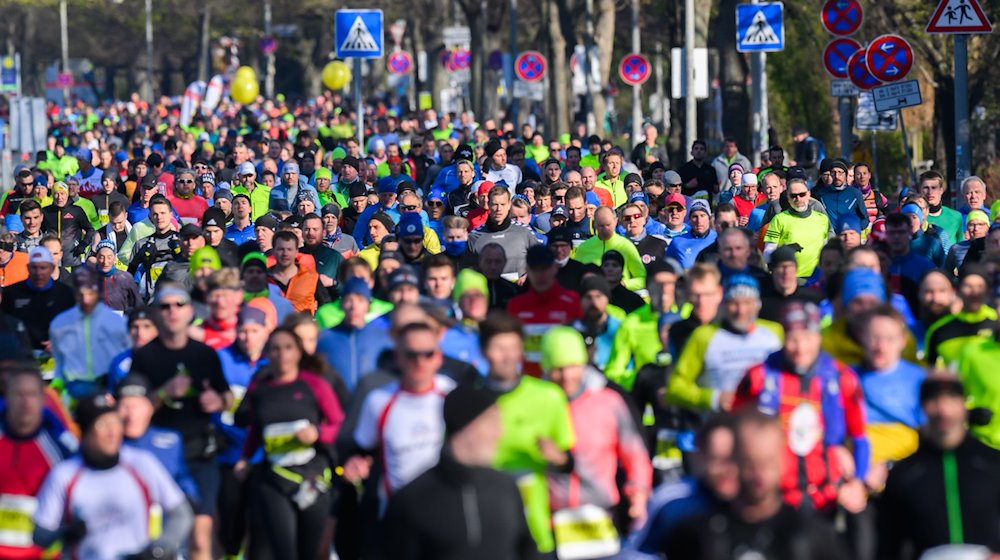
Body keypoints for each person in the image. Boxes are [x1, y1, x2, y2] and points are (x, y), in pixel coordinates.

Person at [734, 301, 870, 515]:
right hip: (774, 497)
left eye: (807, 338)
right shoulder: (758, 377)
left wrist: (858, 481)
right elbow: (736, 431)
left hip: (828, 495)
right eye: (793, 340)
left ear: (819, 338)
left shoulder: (841, 378)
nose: (800, 348)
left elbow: (860, 438)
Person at [129, 284, 232, 560]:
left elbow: (228, 397)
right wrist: (163, 393)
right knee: (159, 539)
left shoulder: (204, 354)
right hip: (157, 458)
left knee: (201, 537)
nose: (172, 311)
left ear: (190, 311)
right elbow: (131, 410)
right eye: (165, 306)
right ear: (157, 314)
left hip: (199, 453)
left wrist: (218, 401)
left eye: (179, 305)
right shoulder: (144, 356)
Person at [380, 384, 540, 560]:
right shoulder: (411, 500)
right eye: (492, 422)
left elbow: (527, 550)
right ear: (467, 426)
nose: (499, 433)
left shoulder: (506, 487)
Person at [663, 411, 847, 559]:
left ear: (782, 463)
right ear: (734, 459)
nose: (759, 475)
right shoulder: (700, 535)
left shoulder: (809, 536)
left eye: (767, 463)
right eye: (751, 464)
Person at [32, 393, 193, 560]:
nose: (112, 432)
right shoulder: (65, 474)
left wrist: (159, 549)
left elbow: (181, 514)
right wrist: (65, 534)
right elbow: (40, 535)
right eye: (102, 425)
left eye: (115, 422)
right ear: (85, 432)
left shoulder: (142, 464)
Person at [542, 327, 652, 557]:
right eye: (557, 369)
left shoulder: (608, 402)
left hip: (599, 515)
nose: (566, 376)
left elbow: (635, 455)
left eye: (572, 366)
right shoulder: (534, 403)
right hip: (549, 519)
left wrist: (638, 495)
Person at [234, 327, 343, 560]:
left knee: (310, 552)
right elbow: (255, 428)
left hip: (312, 477)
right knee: (284, 552)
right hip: (275, 478)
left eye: (288, 348)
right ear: (268, 353)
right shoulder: (261, 388)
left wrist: (317, 432)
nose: (281, 354)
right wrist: (245, 458)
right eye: (275, 348)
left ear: (298, 353)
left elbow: (339, 425)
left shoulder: (315, 384)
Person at [477, 313, 574, 555]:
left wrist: (557, 457)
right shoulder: (468, 400)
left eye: (513, 348)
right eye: (499, 348)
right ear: (483, 350)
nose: (507, 356)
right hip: (483, 531)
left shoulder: (549, 397)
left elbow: (568, 462)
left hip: (537, 531)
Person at [877, 374, 1000, 557]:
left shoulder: (993, 464)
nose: (943, 410)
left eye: (951, 398)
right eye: (934, 399)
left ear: (964, 404)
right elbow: (889, 546)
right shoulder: (905, 475)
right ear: (923, 408)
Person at [343, 321, 457, 505]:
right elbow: (363, 450)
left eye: (428, 354)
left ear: (439, 357)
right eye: (411, 354)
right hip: (398, 513)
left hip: (446, 510)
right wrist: (356, 464)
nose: (420, 361)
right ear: (398, 357)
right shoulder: (378, 400)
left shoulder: (452, 395)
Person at [668, 273, 783, 413]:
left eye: (747, 302)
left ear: (757, 304)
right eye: (734, 303)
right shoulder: (704, 335)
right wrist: (713, 398)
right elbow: (675, 387)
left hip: (765, 424)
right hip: (722, 423)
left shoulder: (774, 332)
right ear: (723, 304)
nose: (741, 311)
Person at [0, 366, 78, 560]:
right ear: (7, 397)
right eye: (19, 394)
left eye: (32, 395)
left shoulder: (63, 446)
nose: (25, 402)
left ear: (43, 400)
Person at [855, 305, 926, 472]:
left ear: (902, 341)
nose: (881, 347)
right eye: (874, 338)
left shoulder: (920, 380)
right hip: (854, 478)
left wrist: (888, 467)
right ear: (861, 337)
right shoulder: (845, 377)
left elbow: (932, 439)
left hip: (904, 474)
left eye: (889, 339)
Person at [50, 267, 130, 398]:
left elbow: (122, 363)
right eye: (80, 294)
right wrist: (55, 390)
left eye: (90, 294)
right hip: (71, 393)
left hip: (105, 392)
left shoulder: (115, 322)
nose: (85, 299)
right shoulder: (61, 323)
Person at [507, 245, 581, 377]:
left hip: (562, 382)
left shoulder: (571, 302)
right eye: (535, 270)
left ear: (554, 268)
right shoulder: (515, 306)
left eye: (545, 269)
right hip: (529, 383)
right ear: (527, 271)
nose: (540, 275)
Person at [606, 261, 681, 389]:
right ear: (648, 286)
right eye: (657, 284)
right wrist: (642, 380)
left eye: (669, 283)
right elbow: (613, 372)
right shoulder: (632, 322)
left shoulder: (688, 314)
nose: (664, 290)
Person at [315, 277, 388, 390]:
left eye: (360, 300)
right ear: (341, 304)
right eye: (349, 300)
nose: (354, 307)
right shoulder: (324, 340)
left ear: (368, 306)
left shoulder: (383, 339)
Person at [1, 246, 76, 351]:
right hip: (20, 355)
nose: (38, 273)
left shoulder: (65, 293)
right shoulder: (12, 293)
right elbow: (4, 326)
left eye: (43, 268)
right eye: (34, 267)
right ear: (27, 268)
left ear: (52, 268)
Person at [924, 263, 997, 366]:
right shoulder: (939, 330)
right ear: (957, 291)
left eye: (980, 286)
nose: (974, 292)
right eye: (968, 286)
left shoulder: (996, 322)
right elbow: (930, 371)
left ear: (987, 291)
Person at [468, 185, 539, 280]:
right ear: (488, 204)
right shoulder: (474, 237)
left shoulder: (525, 232)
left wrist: (529, 275)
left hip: (519, 292)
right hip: (489, 292)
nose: (498, 209)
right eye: (494, 204)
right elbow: (468, 272)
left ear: (509, 205)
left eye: (502, 204)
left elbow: (540, 262)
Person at [575, 206, 647, 291]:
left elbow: (643, 278)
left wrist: (624, 284)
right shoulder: (584, 247)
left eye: (608, 225)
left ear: (615, 222)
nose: (605, 229)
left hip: (618, 298)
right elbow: (574, 277)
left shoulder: (626, 246)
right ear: (594, 224)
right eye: (601, 226)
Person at [42, 182, 94, 268]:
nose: (59, 197)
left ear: (67, 195)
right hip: (52, 260)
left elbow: (90, 230)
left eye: (62, 194)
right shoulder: (46, 211)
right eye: (56, 194)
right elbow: (40, 232)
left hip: (73, 259)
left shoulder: (76, 211)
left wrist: (83, 245)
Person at [665, 200, 718, 271]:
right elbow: (666, 268)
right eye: (695, 216)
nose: (699, 221)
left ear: (709, 217)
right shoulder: (678, 241)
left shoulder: (718, 238)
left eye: (702, 216)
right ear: (689, 219)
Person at [920, 170, 964, 245]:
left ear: (941, 191)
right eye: (926, 188)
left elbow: (961, 249)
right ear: (920, 190)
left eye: (934, 188)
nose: (930, 192)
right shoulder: (915, 217)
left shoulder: (956, 217)